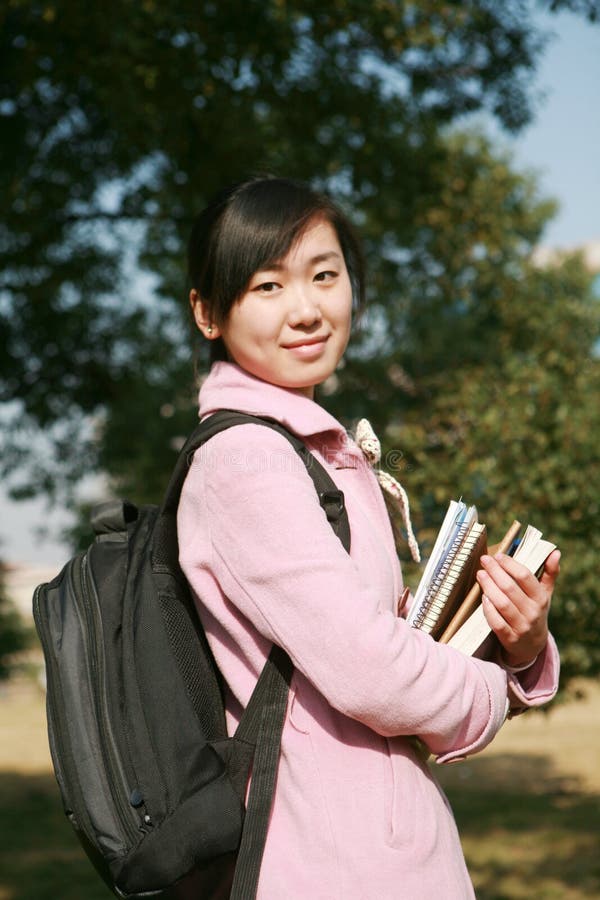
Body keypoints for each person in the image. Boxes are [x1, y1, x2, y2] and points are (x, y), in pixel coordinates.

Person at [177, 175, 560, 899]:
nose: (306, 308)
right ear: (207, 311)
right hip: (330, 862)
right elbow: (372, 670)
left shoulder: (310, 450)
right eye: (266, 286)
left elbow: (372, 635)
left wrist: (520, 642)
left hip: (371, 853)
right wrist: (493, 692)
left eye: (325, 275)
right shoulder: (246, 461)